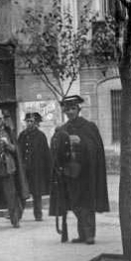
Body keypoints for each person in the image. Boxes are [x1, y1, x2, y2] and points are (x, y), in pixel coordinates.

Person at [48, 95, 109, 245]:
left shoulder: (89, 127)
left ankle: (89, 235)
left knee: (87, 204)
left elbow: (95, 149)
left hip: (86, 173)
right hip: (69, 173)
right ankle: (82, 234)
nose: (70, 112)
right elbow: (56, 151)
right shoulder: (63, 128)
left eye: (73, 109)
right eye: (67, 109)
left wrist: (81, 142)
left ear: (78, 109)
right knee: (74, 204)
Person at [18, 112, 52, 221]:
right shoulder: (22, 135)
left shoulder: (41, 136)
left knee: (37, 193)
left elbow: (46, 153)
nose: (29, 123)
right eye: (27, 121)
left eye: (31, 121)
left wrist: (47, 169)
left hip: (37, 169)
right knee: (23, 191)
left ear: (36, 123)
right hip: (24, 169)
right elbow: (19, 151)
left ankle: (38, 214)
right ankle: (18, 214)